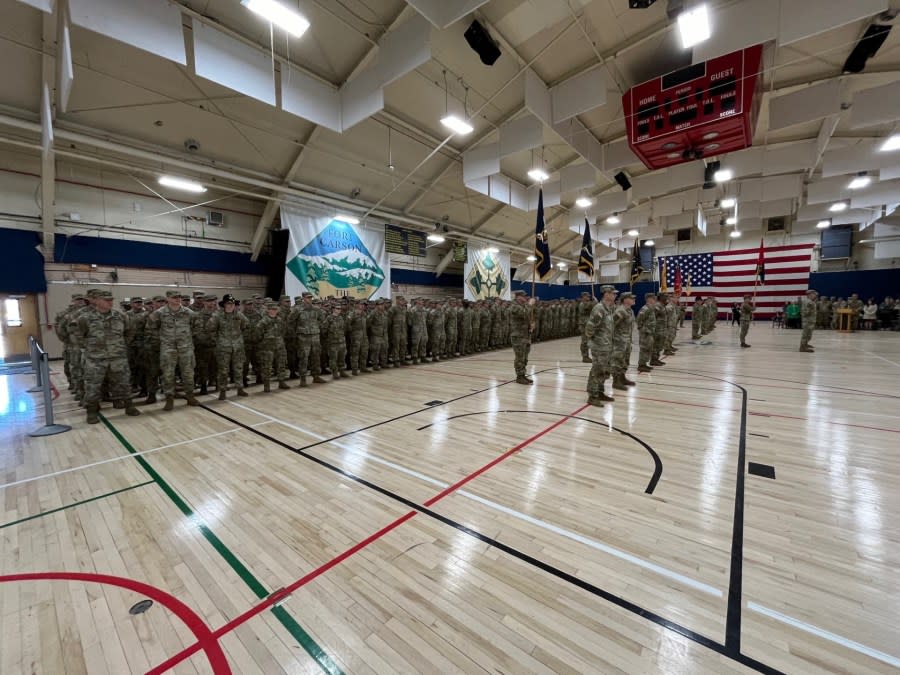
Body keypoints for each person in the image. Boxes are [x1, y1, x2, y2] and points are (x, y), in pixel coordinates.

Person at [75, 290, 140, 423]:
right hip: (95, 359)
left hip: (118, 357)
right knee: (93, 386)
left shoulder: (120, 316)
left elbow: (130, 331)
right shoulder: (85, 318)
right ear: (97, 301)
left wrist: (120, 345)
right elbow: (78, 336)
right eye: (106, 300)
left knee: (124, 383)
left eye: (111, 300)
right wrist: (90, 348)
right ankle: (91, 412)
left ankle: (129, 406)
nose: (110, 302)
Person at [146, 290, 200, 410]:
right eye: (174, 297)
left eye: (179, 297)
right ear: (168, 299)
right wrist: (162, 340)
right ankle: (169, 399)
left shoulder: (189, 313)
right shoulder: (159, 313)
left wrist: (188, 339)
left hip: (186, 348)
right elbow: (150, 328)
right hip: (168, 348)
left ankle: (190, 396)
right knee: (168, 374)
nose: (177, 299)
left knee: (188, 373)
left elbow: (197, 327)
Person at [209, 294, 249, 400]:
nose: (230, 306)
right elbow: (210, 329)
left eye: (232, 304)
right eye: (228, 304)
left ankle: (240, 388)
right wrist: (218, 341)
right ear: (224, 305)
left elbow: (246, 326)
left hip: (238, 347)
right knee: (223, 370)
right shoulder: (217, 316)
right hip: (223, 348)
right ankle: (222, 391)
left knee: (238, 368)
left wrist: (239, 338)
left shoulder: (239, 315)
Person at [584, 285, 617, 406]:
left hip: (607, 346)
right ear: (606, 294)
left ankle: (600, 392)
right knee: (597, 371)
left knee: (604, 371)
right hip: (599, 347)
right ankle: (592, 395)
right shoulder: (599, 308)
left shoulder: (609, 308)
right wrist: (595, 341)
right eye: (613, 293)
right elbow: (590, 327)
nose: (615, 295)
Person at [611, 292, 636, 390]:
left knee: (625, 361)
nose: (634, 299)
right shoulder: (620, 311)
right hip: (619, 341)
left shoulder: (629, 310)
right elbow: (611, 325)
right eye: (631, 298)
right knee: (617, 361)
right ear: (625, 300)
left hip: (627, 340)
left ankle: (622, 378)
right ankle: (616, 381)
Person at [509, 289, 535, 384]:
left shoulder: (523, 306)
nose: (526, 298)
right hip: (518, 336)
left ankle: (523, 375)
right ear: (518, 297)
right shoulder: (514, 306)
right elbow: (523, 313)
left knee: (525, 357)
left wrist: (531, 325)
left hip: (525, 335)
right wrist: (530, 304)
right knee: (520, 357)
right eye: (524, 296)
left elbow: (526, 317)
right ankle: (519, 376)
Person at [636, 292, 657, 373]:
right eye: (653, 298)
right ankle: (641, 365)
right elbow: (639, 321)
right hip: (645, 334)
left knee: (648, 349)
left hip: (649, 333)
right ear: (649, 299)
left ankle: (644, 364)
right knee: (644, 349)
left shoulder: (651, 308)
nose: (655, 300)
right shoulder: (645, 309)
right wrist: (644, 330)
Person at [577, 291, 595, 363]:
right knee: (584, 342)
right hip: (584, 325)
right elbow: (588, 306)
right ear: (583, 297)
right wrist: (594, 301)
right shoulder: (582, 304)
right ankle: (585, 357)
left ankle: (586, 356)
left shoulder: (587, 303)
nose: (589, 297)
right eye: (587, 296)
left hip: (587, 324)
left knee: (587, 341)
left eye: (589, 296)